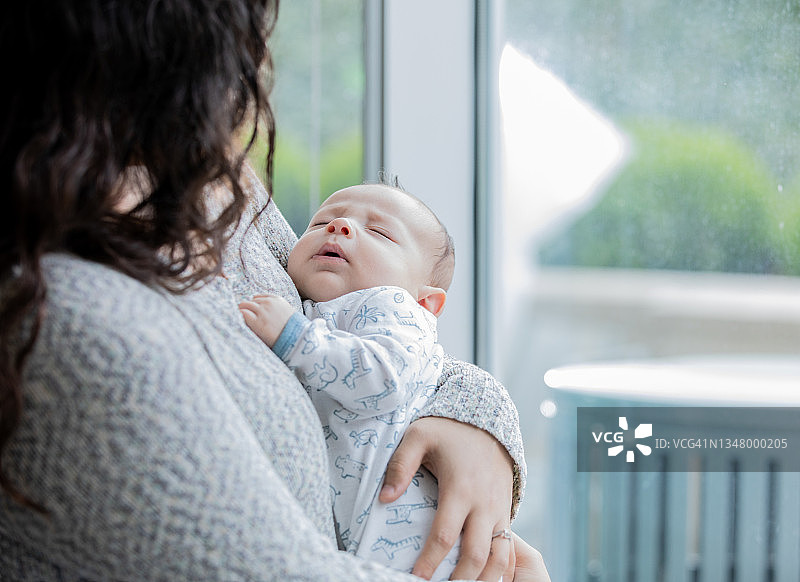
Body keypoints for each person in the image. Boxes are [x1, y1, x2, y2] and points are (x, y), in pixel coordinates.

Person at [0, 1, 551, 581]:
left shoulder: (207, 182)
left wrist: (475, 422)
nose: (258, 64)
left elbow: (390, 340)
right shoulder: (66, 322)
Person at [239, 180, 463, 579]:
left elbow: (386, 378)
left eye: (379, 232)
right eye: (319, 222)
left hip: (422, 547)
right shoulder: (317, 309)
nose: (338, 226)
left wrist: (296, 337)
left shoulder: (394, 306)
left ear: (425, 302)